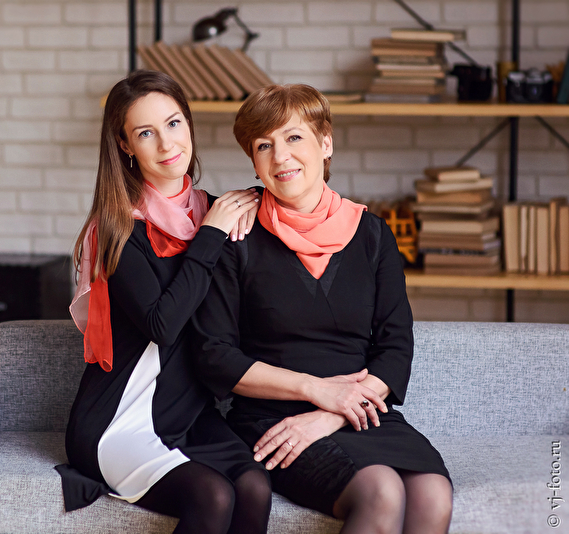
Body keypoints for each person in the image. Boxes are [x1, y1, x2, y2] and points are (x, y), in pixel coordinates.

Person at [191, 84, 453, 534]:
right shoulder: (236, 235)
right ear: (253, 162)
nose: (281, 157)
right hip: (273, 418)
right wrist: (315, 391)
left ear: (325, 143)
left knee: (433, 494)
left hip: (358, 410)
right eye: (263, 146)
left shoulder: (373, 234)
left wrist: (333, 411)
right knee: (382, 491)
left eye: (294, 137)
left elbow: (395, 348)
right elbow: (214, 356)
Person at [55, 70, 272, 534]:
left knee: (254, 487)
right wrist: (210, 236)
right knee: (213, 495)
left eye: (173, 123)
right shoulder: (117, 229)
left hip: (190, 415)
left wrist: (257, 201)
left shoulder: (216, 210)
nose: (166, 143)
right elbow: (162, 324)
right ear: (125, 145)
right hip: (119, 420)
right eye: (145, 133)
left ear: (189, 123)